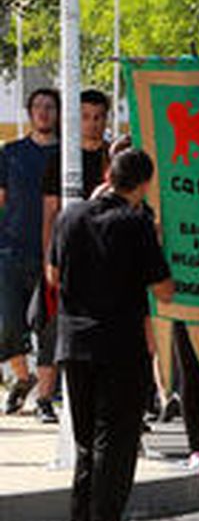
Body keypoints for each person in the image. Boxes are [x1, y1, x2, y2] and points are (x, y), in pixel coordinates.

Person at [49, 148, 175, 521]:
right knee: (115, 450)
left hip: (74, 344)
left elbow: (52, 275)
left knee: (87, 446)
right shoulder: (135, 223)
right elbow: (164, 290)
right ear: (144, 184)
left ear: (108, 174)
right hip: (120, 346)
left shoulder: (69, 217)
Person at [34, 89, 111, 422]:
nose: (92, 123)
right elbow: (50, 214)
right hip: (67, 257)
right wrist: (48, 257)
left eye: (98, 117)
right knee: (52, 325)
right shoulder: (62, 159)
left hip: (107, 260)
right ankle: (44, 397)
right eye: (85, 117)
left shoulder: (113, 159)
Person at [1, 87, 60, 415]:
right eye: (38, 106)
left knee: (49, 329)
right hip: (10, 249)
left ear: (58, 112)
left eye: (49, 106)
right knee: (8, 325)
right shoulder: (11, 153)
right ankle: (23, 379)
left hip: (52, 254)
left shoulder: (67, 154)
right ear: (29, 112)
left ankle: (44, 399)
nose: (43, 112)